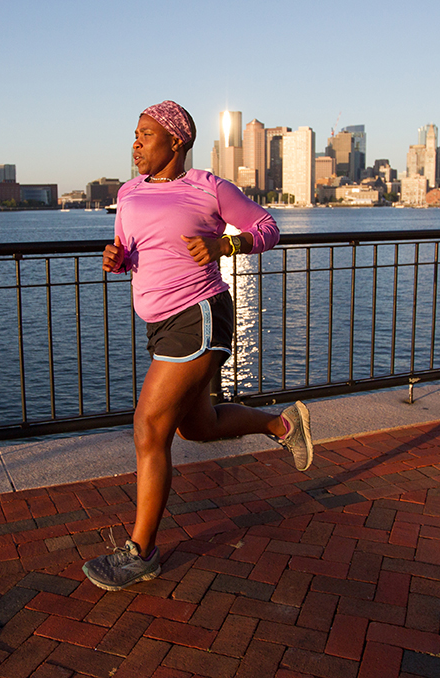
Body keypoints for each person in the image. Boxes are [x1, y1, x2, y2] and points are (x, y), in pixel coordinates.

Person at [81, 100, 314, 591]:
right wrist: (116, 258)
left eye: (146, 134)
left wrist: (226, 246)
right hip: (159, 323)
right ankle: (282, 424)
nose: (136, 143)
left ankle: (141, 553)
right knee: (197, 428)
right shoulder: (127, 194)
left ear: (176, 141)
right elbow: (132, 251)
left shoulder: (207, 187)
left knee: (149, 427)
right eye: (135, 134)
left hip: (200, 315)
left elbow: (268, 227)